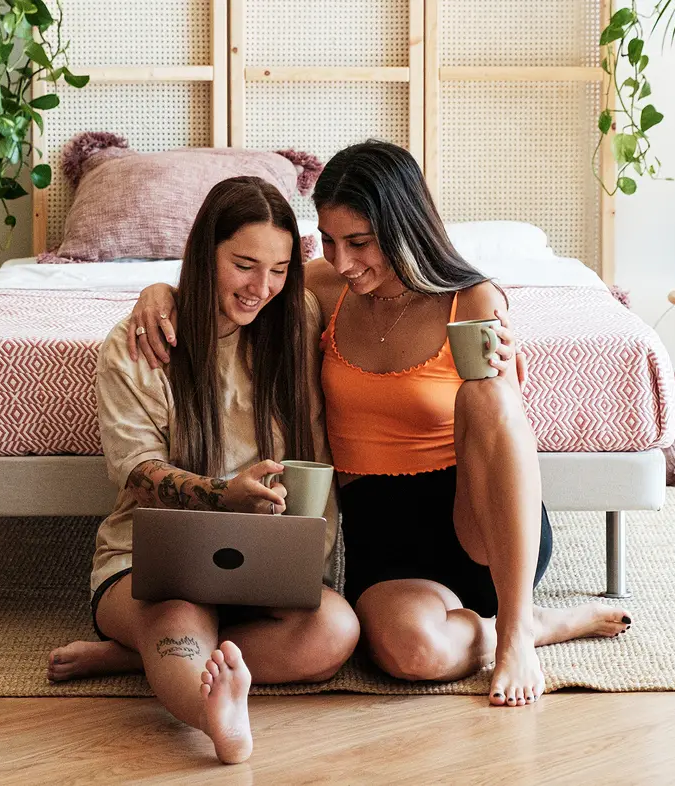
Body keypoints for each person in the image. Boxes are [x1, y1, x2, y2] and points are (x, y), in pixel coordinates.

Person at [126, 141, 631, 710]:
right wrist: (160, 292)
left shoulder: (473, 298)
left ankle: (516, 628)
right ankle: (529, 625)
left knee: (488, 394)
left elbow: (503, 429)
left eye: (360, 243)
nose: (343, 261)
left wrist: (504, 375)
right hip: (380, 529)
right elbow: (243, 283)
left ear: (403, 225)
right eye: (330, 242)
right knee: (411, 656)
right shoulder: (324, 287)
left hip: (476, 518)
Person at [47, 176, 360, 764]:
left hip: (266, 563)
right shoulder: (142, 342)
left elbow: (378, 285)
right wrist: (222, 496)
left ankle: (148, 655)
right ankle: (212, 714)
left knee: (336, 631)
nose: (260, 288)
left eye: (278, 268)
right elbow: (138, 472)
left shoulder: (301, 320)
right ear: (203, 252)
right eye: (243, 264)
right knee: (179, 613)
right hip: (151, 563)